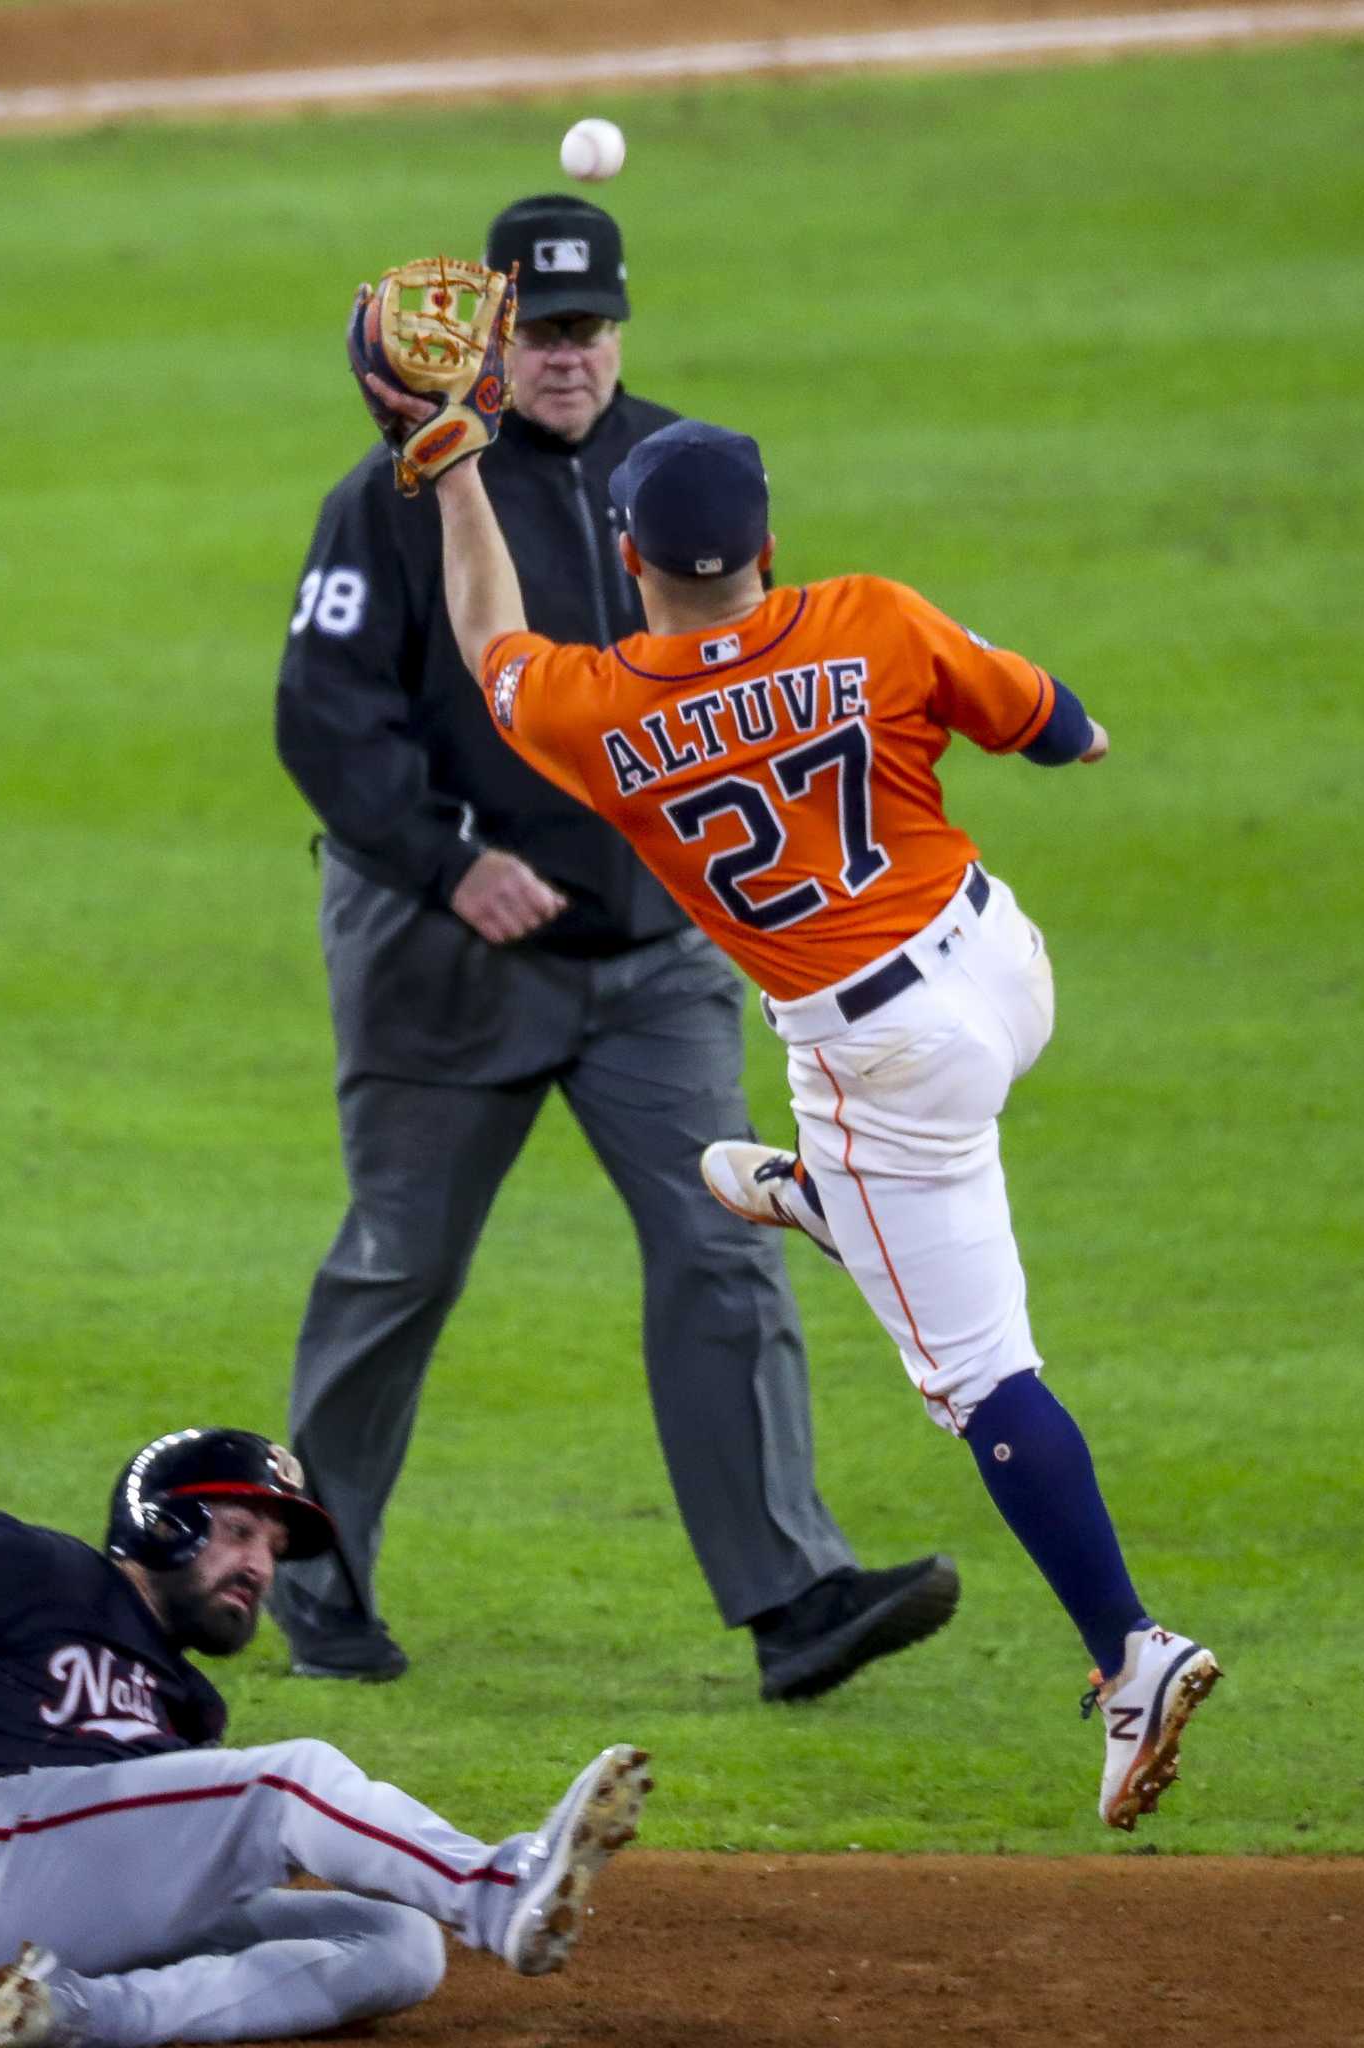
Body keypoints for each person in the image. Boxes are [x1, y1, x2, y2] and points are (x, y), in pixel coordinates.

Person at [413, 405, 1219, 1831]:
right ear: (769, 548)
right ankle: (832, 1198)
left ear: (627, 558)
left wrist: (455, 468)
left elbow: (489, 644)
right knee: (873, 1164)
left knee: (978, 1381)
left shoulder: (598, 708)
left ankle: (1131, 1653)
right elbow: (1062, 731)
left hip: (887, 1064)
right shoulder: (872, 619)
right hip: (1003, 971)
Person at [272, 190, 959, 1703]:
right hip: (442, 963)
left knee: (725, 1248)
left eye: (591, 328)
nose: (569, 358)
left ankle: (793, 1601)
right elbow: (322, 720)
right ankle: (309, 1578)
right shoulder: (391, 494)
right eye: (543, 331)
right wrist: (454, 867)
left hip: (655, 961)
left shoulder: (682, 479)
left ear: (619, 328)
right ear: (492, 338)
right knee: (400, 1269)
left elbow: (755, 682)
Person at [0, 1428, 652, 2046]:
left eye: (271, 1551)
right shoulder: (36, 1569)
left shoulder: (187, 1703)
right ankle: (498, 1890)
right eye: (236, 1532)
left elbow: (151, 1850)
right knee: (290, 1781)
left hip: (54, 1919)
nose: (259, 1568)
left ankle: (86, 2017)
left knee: (399, 1944)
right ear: (161, 1525)